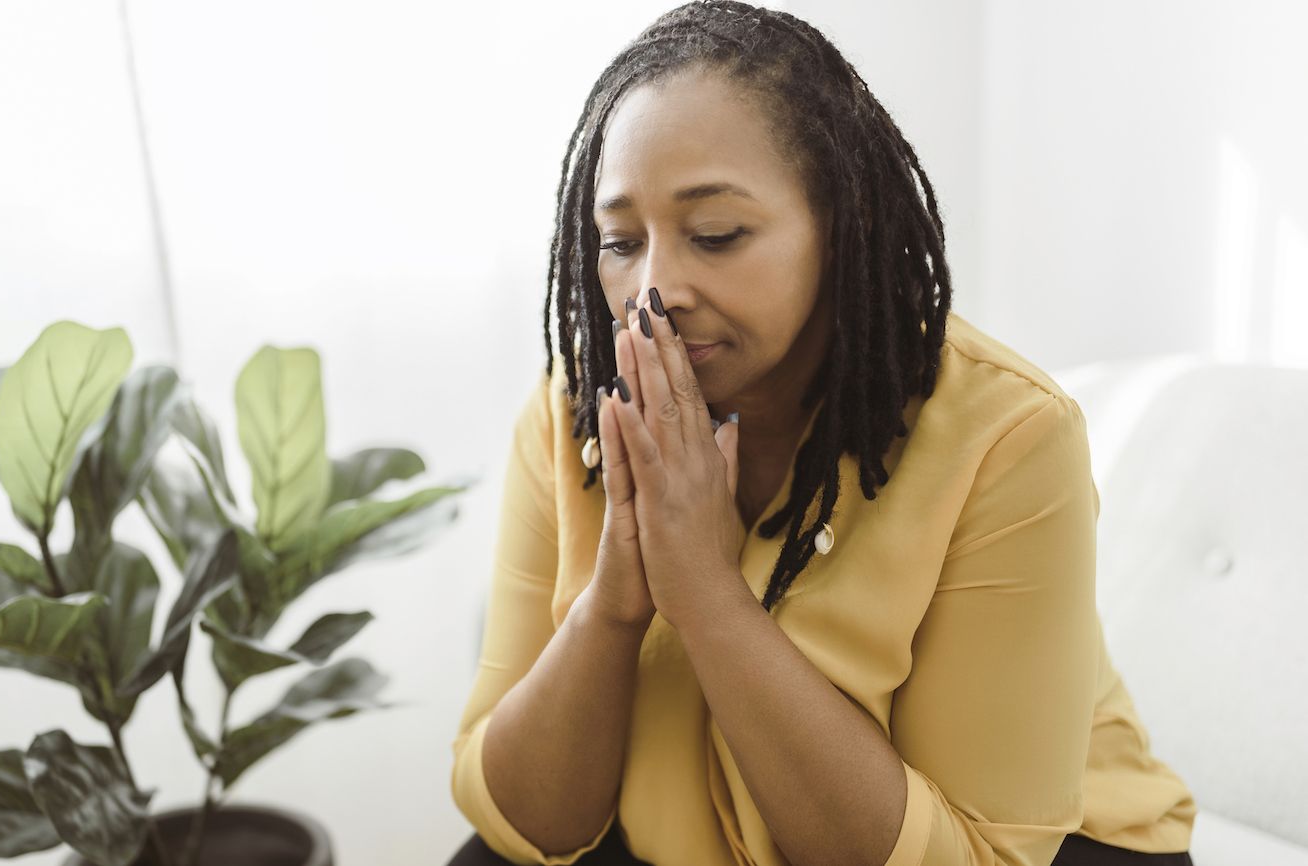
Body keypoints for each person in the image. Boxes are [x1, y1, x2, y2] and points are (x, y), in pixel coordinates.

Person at [448, 2, 1197, 864]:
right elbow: (516, 819)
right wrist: (616, 603)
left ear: (844, 225)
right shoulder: (575, 411)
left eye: (716, 235)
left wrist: (702, 590)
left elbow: (971, 854)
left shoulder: (1009, 438)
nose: (657, 288)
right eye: (619, 241)